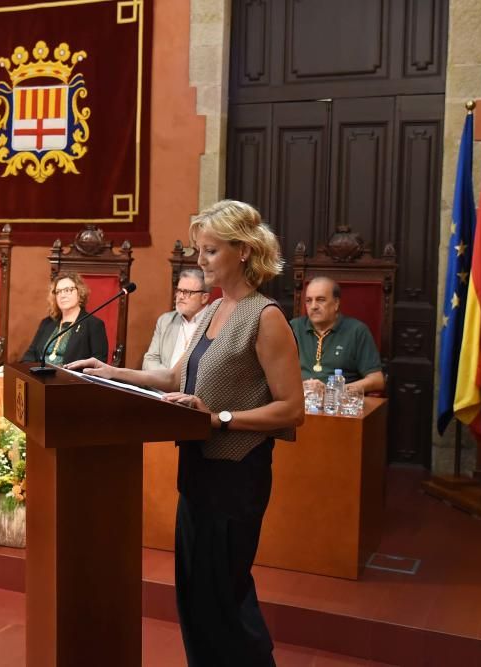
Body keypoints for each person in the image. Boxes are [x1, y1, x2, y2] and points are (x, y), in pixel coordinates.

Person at [67, 200, 303, 665]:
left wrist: (219, 419)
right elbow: (175, 380)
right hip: (197, 469)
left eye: (210, 251)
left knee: (227, 599)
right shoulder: (213, 310)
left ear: (243, 250)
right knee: (196, 598)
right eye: (200, 250)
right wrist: (111, 371)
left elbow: (292, 410)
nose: (200, 261)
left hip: (237, 475)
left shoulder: (265, 315)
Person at [291, 276, 385, 394]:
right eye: (309, 300)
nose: (313, 306)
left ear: (336, 303)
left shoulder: (356, 331)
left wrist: (332, 391)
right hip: (298, 400)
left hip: (338, 404)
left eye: (320, 299)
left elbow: (377, 380)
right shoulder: (293, 327)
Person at [21, 272, 109, 365]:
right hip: (40, 377)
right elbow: (30, 355)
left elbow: (98, 364)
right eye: (58, 291)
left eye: (68, 290)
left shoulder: (93, 324)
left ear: (80, 293)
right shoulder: (47, 323)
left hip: (70, 378)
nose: (62, 295)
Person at [142, 268, 211, 370]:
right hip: (162, 384)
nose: (180, 297)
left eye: (187, 292)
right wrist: (169, 380)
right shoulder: (165, 320)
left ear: (204, 298)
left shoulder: (215, 322)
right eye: (179, 291)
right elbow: (149, 360)